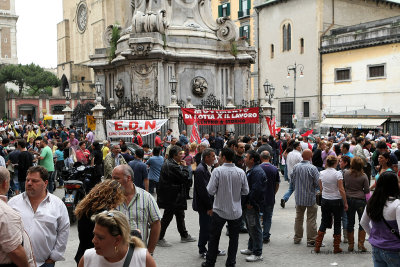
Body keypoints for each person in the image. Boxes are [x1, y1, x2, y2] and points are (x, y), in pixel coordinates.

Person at [8, 166, 70, 267]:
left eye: (34, 181)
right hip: (17, 262)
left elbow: (64, 230)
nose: (29, 183)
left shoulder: (57, 204)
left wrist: (55, 255)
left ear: (45, 183)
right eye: (28, 180)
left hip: (45, 263)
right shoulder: (13, 203)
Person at [202, 148, 249, 267]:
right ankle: (231, 263)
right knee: (234, 239)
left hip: (219, 210)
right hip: (236, 211)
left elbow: (210, 191)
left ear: (223, 158)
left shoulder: (217, 171)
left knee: (214, 238)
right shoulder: (241, 172)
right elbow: (245, 191)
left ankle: (210, 262)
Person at [78, 210, 156, 267]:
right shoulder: (87, 258)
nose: (93, 240)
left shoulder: (143, 259)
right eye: (94, 235)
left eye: (100, 237)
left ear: (117, 240)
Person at [113, 164, 161, 255]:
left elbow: (156, 224)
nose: (113, 182)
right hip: (115, 254)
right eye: (113, 178)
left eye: (116, 178)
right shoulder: (110, 198)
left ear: (128, 178)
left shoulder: (146, 197)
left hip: (139, 252)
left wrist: (150, 251)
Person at [74, 180, 125, 263]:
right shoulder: (105, 215)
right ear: (115, 197)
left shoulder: (86, 207)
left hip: (83, 253)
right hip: (97, 257)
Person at [157, 145, 196, 247]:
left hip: (174, 195)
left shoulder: (171, 163)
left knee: (180, 215)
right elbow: (184, 177)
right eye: (180, 154)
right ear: (174, 155)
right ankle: (158, 237)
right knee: (167, 217)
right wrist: (185, 167)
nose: (182, 155)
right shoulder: (172, 165)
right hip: (172, 196)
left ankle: (184, 235)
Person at [360, 171, 400, 266]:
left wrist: (373, 235)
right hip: (394, 249)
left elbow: (363, 222)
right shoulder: (397, 205)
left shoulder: (372, 202)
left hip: (377, 248)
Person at [193, 148, 226, 259]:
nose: (215, 158)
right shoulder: (200, 170)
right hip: (205, 206)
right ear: (206, 157)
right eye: (213, 156)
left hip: (210, 204)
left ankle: (213, 249)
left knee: (211, 228)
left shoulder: (208, 168)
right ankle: (202, 249)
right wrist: (209, 207)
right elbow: (203, 192)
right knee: (205, 228)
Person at [0, 166, 35, 267]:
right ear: (5, 183)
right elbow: (15, 251)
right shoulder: (6, 213)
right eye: (28, 180)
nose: (29, 183)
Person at [315, 155, 348, 253]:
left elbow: (321, 187)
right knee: (337, 222)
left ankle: (317, 245)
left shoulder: (321, 173)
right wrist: (345, 202)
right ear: (335, 163)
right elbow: (341, 189)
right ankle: (336, 247)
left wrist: (325, 193)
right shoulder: (338, 174)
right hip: (336, 200)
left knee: (324, 221)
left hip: (325, 199)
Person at [240, 150, 266, 262]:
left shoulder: (257, 172)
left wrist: (250, 202)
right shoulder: (253, 170)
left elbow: (256, 189)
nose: (244, 159)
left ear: (252, 160)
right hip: (248, 204)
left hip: (252, 205)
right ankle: (251, 248)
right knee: (251, 227)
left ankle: (257, 253)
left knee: (254, 228)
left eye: (247, 157)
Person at [291, 149, 320, 247]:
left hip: (299, 197)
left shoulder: (296, 167)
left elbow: (292, 181)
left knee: (298, 218)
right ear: (310, 157)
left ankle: (297, 238)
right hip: (310, 197)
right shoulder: (312, 168)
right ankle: (311, 240)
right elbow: (317, 183)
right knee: (311, 219)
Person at [343, 156, 370, 252]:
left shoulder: (346, 173)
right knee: (362, 221)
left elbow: (344, 185)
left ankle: (351, 244)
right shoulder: (363, 176)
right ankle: (360, 244)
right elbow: (367, 190)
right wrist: (369, 202)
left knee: (350, 222)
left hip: (349, 199)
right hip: (360, 201)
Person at [259, 151, 280, 244]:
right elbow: (277, 184)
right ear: (270, 158)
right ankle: (266, 235)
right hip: (270, 197)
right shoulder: (274, 169)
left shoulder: (257, 168)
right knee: (268, 218)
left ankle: (257, 235)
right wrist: (273, 193)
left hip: (259, 198)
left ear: (260, 158)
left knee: (258, 217)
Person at [281, 141, 302, 208]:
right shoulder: (299, 155)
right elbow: (302, 165)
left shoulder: (289, 154)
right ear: (297, 147)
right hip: (297, 175)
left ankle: (284, 198)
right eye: (299, 145)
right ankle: (297, 203)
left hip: (290, 174)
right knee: (298, 189)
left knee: (291, 189)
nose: (300, 147)